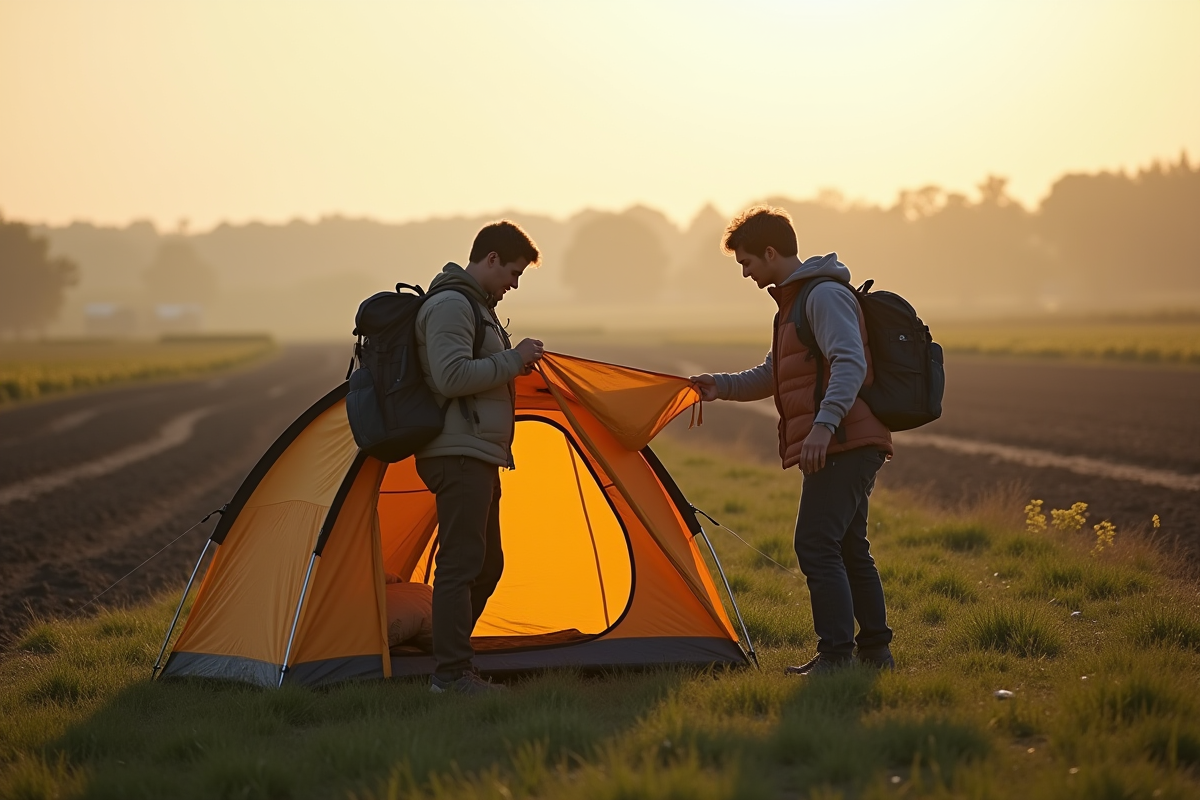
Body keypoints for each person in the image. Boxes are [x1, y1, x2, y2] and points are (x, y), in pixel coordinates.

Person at [690, 206, 895, 675]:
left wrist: (823, 426)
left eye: (746, 262)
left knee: (816, 544)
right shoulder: (795, 302)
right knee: (847, 546)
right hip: (844, 438)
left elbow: (849, 362)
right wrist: (720, 386)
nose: (745, 273)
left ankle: (837, 656)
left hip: (844, 439)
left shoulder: (822, 296)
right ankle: (874, 653)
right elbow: (773, 374)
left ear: (770, 252)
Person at [415, 220, 544, 694]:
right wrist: (515, 358)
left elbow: (471, 372)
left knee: (487, 565)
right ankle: (451, 676)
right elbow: (451, 377)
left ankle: (446, 656)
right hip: (458, 452)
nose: (514, 284)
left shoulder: (476, 306)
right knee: (462, 564)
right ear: (491, 259)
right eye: (513, 272)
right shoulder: (452, 304)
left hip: (478, 452)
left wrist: (512, 365)